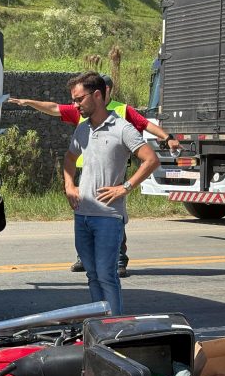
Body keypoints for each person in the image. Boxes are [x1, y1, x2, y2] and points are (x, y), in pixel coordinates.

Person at [9, 78, 179, 277]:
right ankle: (85, 256)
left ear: (103, 91)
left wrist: (167, 138)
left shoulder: (122, 111)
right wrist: (28, 102)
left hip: (112, 169)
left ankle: (118, 259)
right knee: (87, 211)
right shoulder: (82, 110)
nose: (76, 103)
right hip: (86, 170)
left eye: (81, 98)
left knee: (109, 211)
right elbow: (54, 108)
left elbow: (145, 125)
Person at [63, 71, 159, 315]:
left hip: (108, 217)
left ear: (97, 95)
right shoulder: (82, 129)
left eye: (79, 99)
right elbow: (70, 158)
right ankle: (98, 323)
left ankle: (114, 327)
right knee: (92, 275)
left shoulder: (122, 128)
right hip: (82, 216)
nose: (75, 105)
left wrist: (125, 187)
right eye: (73, 100)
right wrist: (69, 185)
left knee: (106, 276)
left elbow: (150, 160)